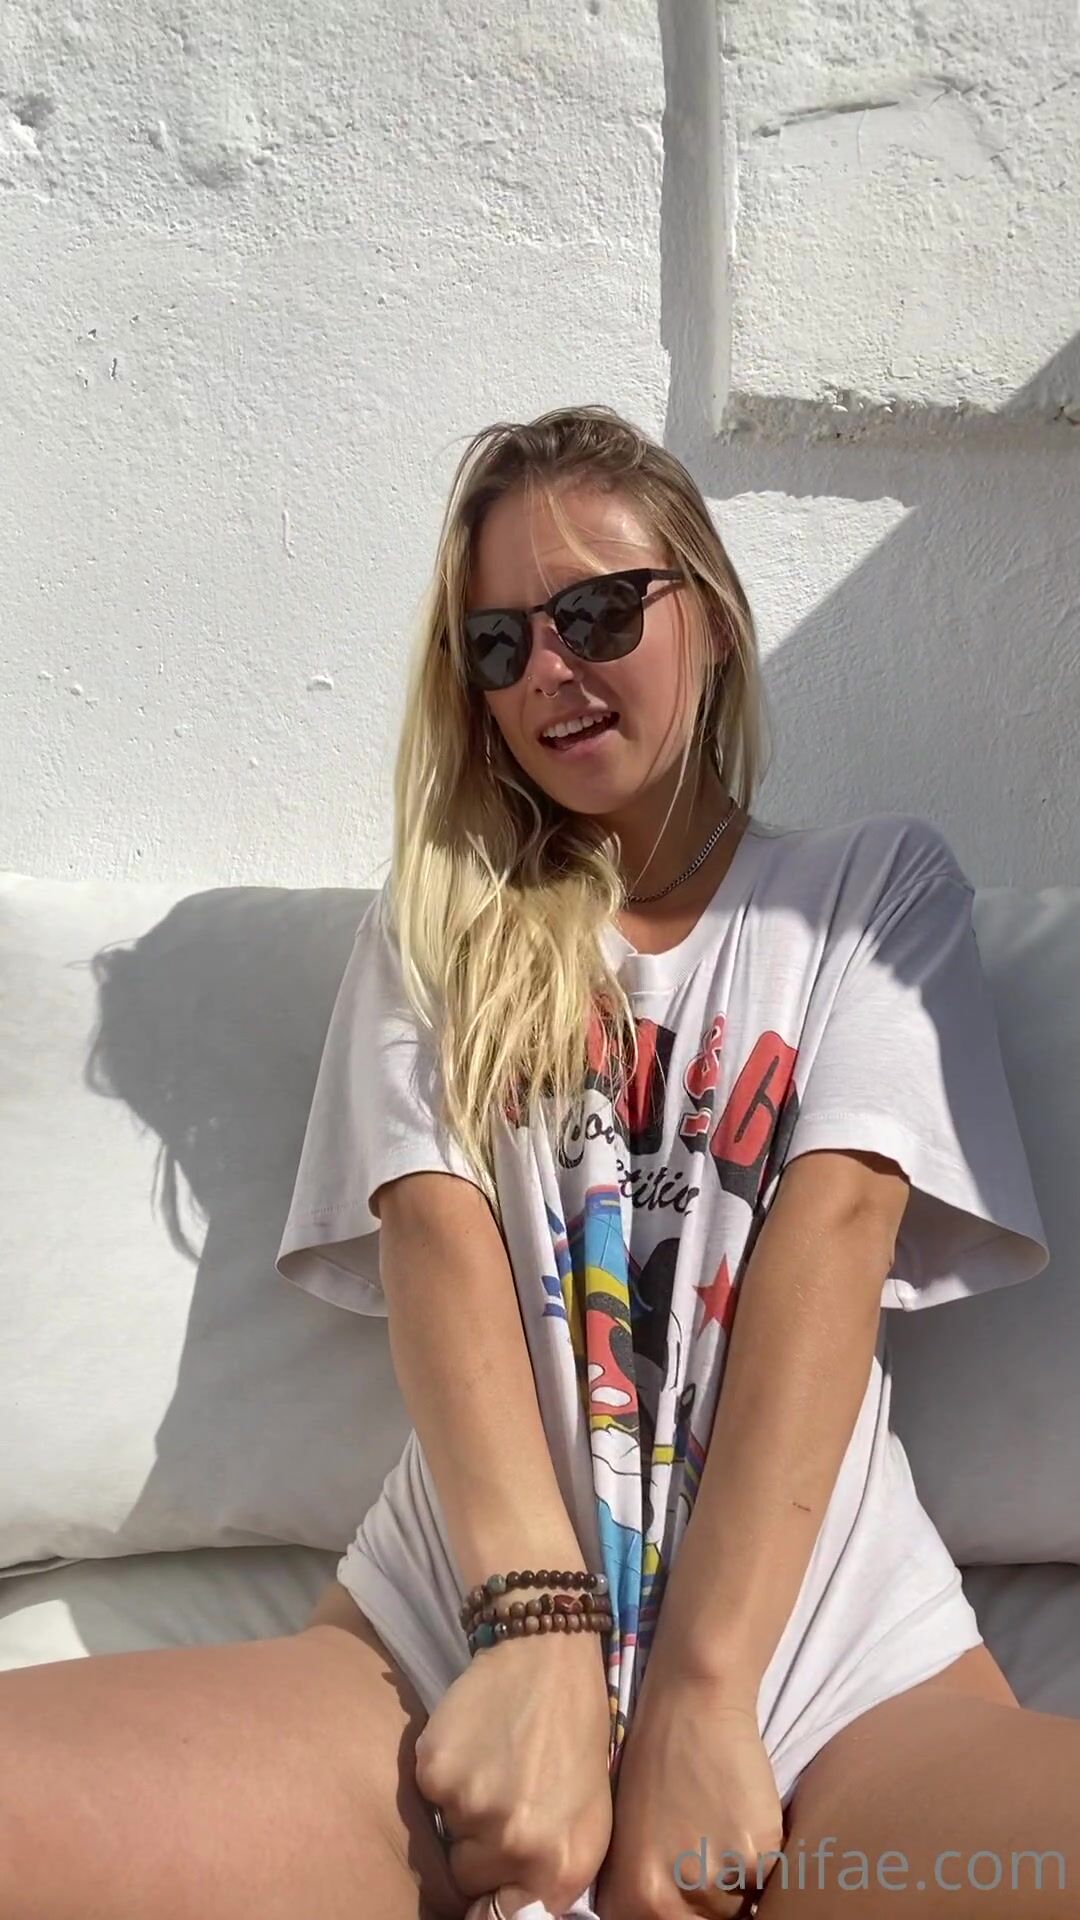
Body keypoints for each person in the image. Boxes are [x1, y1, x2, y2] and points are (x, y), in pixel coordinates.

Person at [0, 405, 1074, 1920]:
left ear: (711, 614)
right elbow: (437, 1245)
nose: (550, 670)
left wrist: (701, 1697)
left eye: (598, 613)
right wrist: (541, 1641)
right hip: (448, 1649)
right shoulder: (439, 925)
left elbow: (836, 1238)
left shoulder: (866, 892)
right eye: (499, 644)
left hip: (831, 1677)